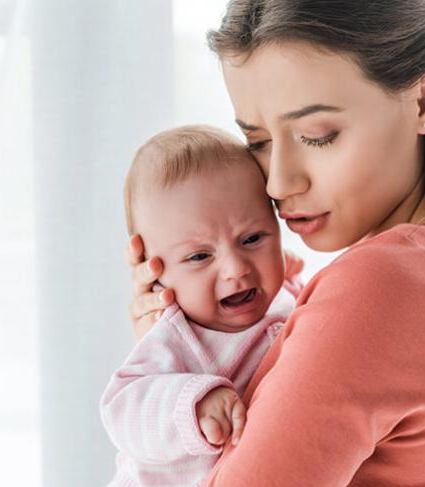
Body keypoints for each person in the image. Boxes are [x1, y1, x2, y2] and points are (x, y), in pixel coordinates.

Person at [124, 1, 425, 485]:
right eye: (258, 142)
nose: (278, 183)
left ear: (424, 101)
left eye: (316, 135)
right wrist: (185, 350)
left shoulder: (388, 282)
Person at [100, 125, 304, 487]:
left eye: (252, 238)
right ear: (154, 272)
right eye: (198, 256)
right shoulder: (176, 337)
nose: (236, 268)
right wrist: (192, 404)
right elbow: (122, 409)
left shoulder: (288, 299)